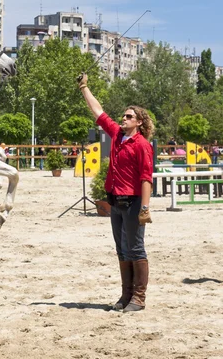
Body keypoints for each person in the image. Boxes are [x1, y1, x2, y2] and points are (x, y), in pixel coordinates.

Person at [78, 73, 153, 312]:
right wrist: (84, 87)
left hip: (133, 203)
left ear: (139, 122)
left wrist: (145, 207)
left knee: (135, 248)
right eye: (124, 115)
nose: (124, 118)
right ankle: (125, 295)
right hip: (115, 201)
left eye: (129, 116)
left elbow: (146, 178)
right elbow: (98, 112)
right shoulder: (117, 135)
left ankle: (139, 298)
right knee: (122, 248)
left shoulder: (142, 145)